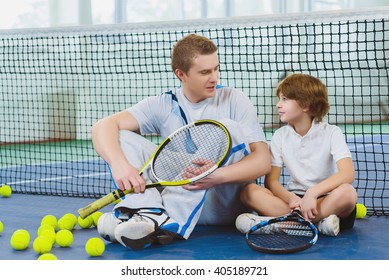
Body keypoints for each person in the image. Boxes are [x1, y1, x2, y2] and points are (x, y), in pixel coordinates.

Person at [92, 33, 271, 250]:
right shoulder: (163, 104)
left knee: (228, 128)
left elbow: (262, 162)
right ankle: (148, 213)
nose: (214, 77)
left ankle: (150, 219)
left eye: (216, 68)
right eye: (205, 72)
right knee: (119, 136)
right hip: (174, 196)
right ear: (181, 74)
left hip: (222, 203)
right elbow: (102, 126)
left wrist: (214, 176)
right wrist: (121, 166)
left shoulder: (234, 99)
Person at [236, 73, 357, 236]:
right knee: (249, 191)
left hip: (326, 198)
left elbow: (347, 173)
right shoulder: (279, 136)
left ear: (305, 104)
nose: (278, 105)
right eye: (279, 99)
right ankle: (317, 224)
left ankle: (285, 224)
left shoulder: (332, 132)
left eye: (285, 99)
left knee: (348, 193)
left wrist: (312, 194)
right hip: (293, 202)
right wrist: (292, 199)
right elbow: (271, 181)